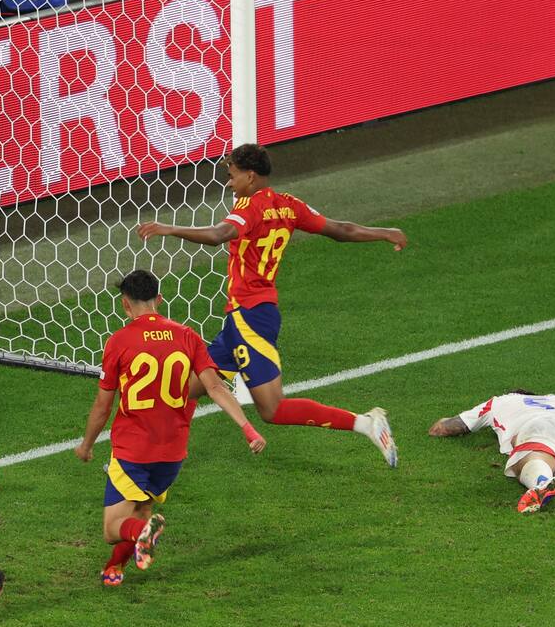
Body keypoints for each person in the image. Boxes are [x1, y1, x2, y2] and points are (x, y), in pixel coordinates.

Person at [136, 143, 406, 467]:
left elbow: (218, 234)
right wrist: (385, 232)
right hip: (247, 317)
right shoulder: (289, 205)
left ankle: (367, 424)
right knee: (184, 389)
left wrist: (169, 228)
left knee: (273, 409)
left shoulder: (248, 207)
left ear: (250, 176)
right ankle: (144, 457)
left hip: (249, 320)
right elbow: (341, 230)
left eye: (231, 175)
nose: (228, 182)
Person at [75, 270, 266, 586]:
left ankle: (140, 534)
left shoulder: (118, 342)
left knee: (113, 528)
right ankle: (115, 567)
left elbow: (102, 406)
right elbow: (216, 388)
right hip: (172, 453)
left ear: (125, 304)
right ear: (159, 300)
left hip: (133, 450)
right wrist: (248, 429)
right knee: (142, 506)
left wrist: (86, 445)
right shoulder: (188, 336)